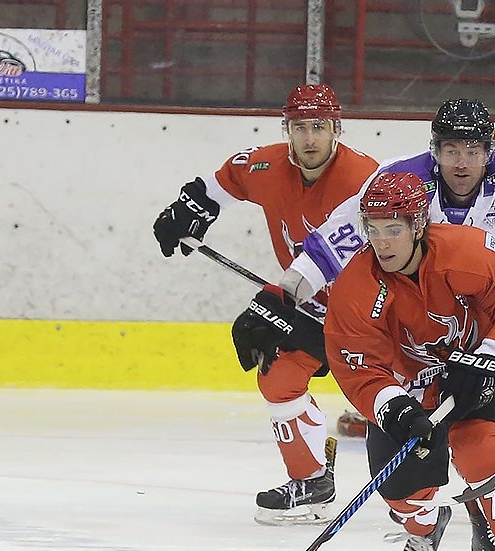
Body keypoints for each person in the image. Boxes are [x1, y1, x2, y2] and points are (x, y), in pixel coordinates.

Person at [268, 98, 495, 551]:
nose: (461, 162)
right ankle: (425, 520)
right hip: (419, 347)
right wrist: (283, 296)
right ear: (434, 150)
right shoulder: (400, 183)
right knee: (403, 465)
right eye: (451, 149)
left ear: (489, 152)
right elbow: (337, 240)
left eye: (472, 150)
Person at [323, 171, 495, 551]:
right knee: (399, 491)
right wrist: (393, 407)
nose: (382, 242)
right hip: (408, 390)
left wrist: (490, 359)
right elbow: (358, 363)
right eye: (373, 229)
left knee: (484, 453)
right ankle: (426, 527)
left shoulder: (470, 253)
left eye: (393, 229)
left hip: (475, 377)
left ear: (417, 225)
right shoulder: (355, 287)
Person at [152, 83, 378, 525]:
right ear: (286, 129)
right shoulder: (265, 165)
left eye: (319, 127)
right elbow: (225, 180)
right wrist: (191, 208)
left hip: (371, 309)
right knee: (277, 374)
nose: (309, 138)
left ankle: (461, 482)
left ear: (336, 129)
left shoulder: (363, 178)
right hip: (306, 298)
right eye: (299, 127)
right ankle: (311, 482)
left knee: (406, 400)